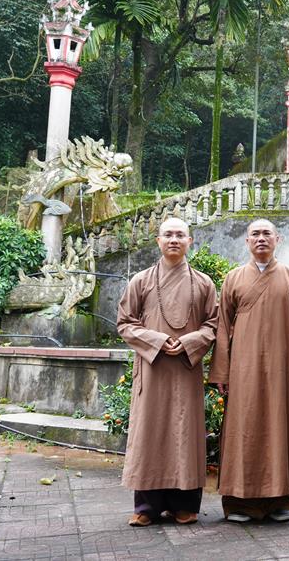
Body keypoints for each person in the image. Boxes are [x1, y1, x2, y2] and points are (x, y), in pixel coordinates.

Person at [208, 219, 289, 523]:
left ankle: (281, 501)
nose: (261, 238)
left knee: (279, 430)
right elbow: (222, 328)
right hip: (243, 369)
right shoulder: (234, 279)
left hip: (281, 369)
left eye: (267, 233)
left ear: (278, 239)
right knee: (243, 430)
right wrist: (222, 372)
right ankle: (240, 502)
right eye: (255, 234)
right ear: (247, 241)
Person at [117, 217, 218, 527]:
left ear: (190, 241)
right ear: (158, 241)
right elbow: (125, 323)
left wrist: (187, 342)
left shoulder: (204, 283)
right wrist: (158, 341)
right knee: (150, 432)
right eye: (168, 235)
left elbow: (213, 325)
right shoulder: (141, 281)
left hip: (186, 370)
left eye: (180, 235)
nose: (174, 239)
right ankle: (146, 506)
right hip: (153, 369)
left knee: (185, 434)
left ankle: (183, 505)